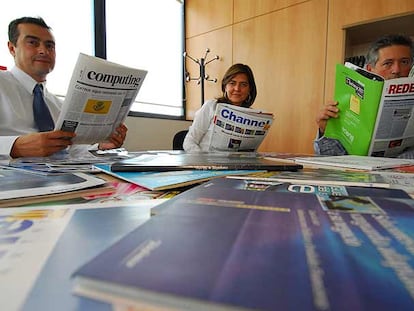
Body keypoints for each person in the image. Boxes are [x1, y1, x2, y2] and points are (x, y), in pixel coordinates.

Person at [0, 16, 128, 158]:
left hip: (62, 175)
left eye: (49, 46)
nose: (43, 50)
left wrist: (101, 146)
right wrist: (14, 146)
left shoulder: (58, 105)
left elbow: (69, 150)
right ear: (12, 48)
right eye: (32, 43)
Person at [314, 34, 414, 157]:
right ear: (369, 69)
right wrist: (325, 131)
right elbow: (330, 161)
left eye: (404, 62)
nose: (397, 70)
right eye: (388, 63)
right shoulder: (347, 103)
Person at [183, 63, 257, 152]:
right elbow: (189, 141)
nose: (237, 89)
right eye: (232, 83)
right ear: (225, 86)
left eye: (243, 84)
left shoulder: (253, 116)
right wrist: (203, 161)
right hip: (206, 162)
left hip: (237, 164)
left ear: (250, 89)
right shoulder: (211, 106)